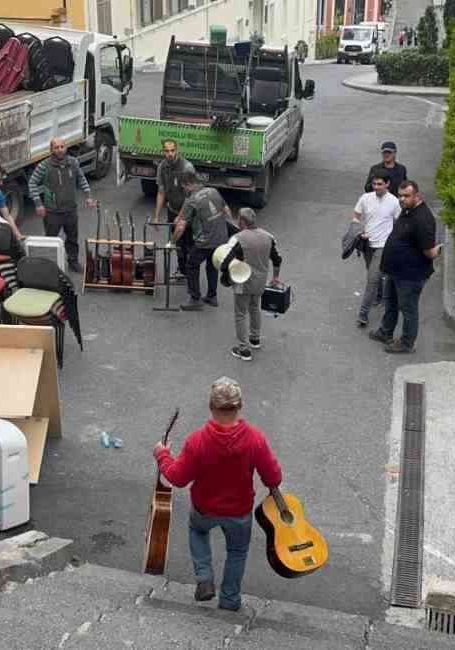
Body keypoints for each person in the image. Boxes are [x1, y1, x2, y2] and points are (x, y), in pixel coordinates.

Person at [153, 377, 283, 612]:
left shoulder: (197, 441)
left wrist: (162, 455)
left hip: (205, 508)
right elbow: (273, 477)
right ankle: (230, 600)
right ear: (239, 406)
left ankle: (205, 578)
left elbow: (178, 477)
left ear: (211, 407)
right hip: (239, 512)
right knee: (237, 552)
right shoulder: (255, 439)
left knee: (197, 530)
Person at [369, 180, 442, 353]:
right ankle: (386, 332)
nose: (402, 199)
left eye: (406, 196)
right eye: (400, 195)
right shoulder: (407, 210)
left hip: (410, 275)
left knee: (408, 309)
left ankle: (406, 343)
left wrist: (439, 249)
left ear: (417, 196)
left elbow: (429, 252)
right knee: (391, 303)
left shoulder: (423, 219)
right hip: (395, 271)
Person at [221, 208, 282, 361]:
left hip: (243, 282)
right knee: (255, 308)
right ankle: (255, 339)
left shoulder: (238, 238)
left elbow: (224, 262)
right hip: (260, 282)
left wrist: (228, 271)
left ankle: (243, 349)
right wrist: (275, 277)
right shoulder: (269, 236)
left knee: (240, 314)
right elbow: (277, 259)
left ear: (242, 221)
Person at [28, 137, 97, 273]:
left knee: (72, 239)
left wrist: (88, 196)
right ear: (51, 150)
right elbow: (32, 183)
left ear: (66, 148)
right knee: (51, 241)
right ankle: (50, 266)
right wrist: (38, 204)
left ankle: (73, 262)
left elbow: (82, 178)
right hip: (52, 212)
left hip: (70, 210)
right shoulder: (44, 166)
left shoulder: (73, 162)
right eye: (56, 147)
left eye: (62, 147)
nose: (60, 150)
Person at [172, 171, 232, 311]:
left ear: (188, 185)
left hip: (205, 241)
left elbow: (180, 226)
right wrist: (229, 232)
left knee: (191, 264)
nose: (184, 191)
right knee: (212, 265)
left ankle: (195, 298)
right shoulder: (214, 191)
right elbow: (227, 211)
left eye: (183, 187)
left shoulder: (191, 200)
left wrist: (172, 241)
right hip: (221, 238)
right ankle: (212, 296)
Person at [351, 175, 401, 328]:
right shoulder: (365, 198)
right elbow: (356, 216)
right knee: (374, 274)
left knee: (372, 280)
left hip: (383, 246)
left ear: (387, 184)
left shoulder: (394, 202)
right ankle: (379, 296)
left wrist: (394, 240)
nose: (376, 187)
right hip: (367, 245)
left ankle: (363, 315)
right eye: (374, 184)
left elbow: (399, 222)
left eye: (380, 184)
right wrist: (359, 231)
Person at [154, 139, 196, 279]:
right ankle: (182, 269)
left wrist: (182, 215)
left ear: (177, 150)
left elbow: (191, 196)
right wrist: (156, 216)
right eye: (167, 151)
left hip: (188, 212)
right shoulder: (162, 167)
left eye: (172, 150)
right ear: (163, 151)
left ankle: (190, 272)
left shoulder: (187, 167)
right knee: (178, 242)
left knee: (189, 243)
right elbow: (161, 192)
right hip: (172, 210)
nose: (170, 154)